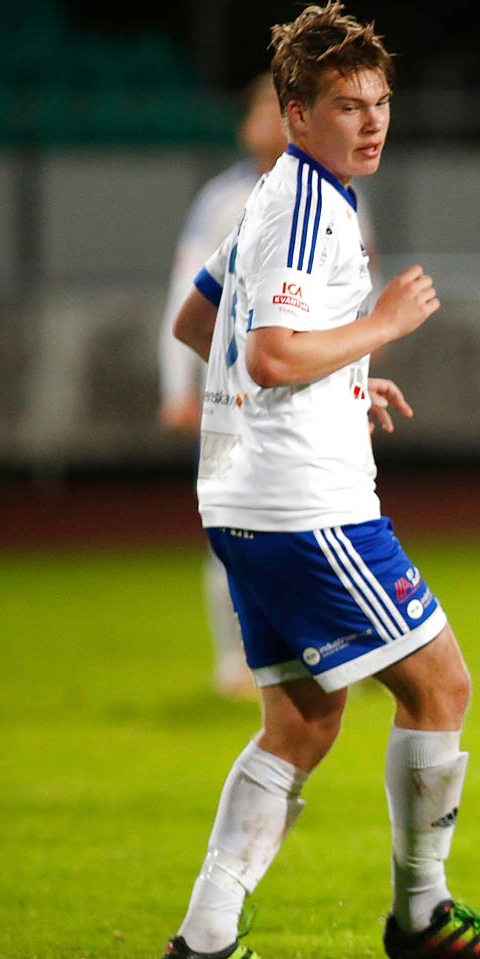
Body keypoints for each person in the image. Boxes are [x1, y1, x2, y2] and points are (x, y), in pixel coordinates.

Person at [158, 0, 480, 959]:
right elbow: (273, 350)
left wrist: (340, 381)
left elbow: (201, 325)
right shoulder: (306, 205)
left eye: (379, 102)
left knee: (299, 721)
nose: (370, 122)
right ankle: (424, 913)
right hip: (306, 506)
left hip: (244, 502)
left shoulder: (273, 197)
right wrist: (380, 327)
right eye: (344, 105)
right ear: (294, 112)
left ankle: (205, 935)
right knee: (441, 682)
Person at [158, 76, 289, 700]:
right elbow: (184, 299)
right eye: (262, 106)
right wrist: (178, 386)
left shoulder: (337, 195)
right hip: (232, 393)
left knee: (319, 516)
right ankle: (233, 662)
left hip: (301, 394)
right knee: (231, 527)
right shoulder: (222, 200)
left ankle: (329, 649)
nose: (272, 118)